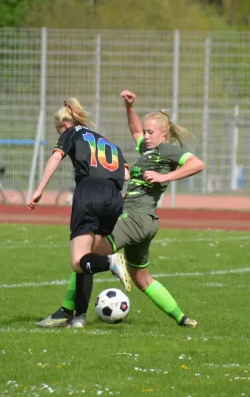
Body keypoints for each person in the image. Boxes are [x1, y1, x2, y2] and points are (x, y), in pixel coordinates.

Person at [42, 90, 205, 329]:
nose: (146, 137)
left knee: (86, 254)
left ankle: (68, 311)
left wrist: (165, 177)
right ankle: (183, 318)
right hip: (147, 223)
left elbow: (198, 164)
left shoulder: (166, 151)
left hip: (134, 218)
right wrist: (130, 107)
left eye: (151, 133)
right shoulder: (148, 150)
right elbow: (136, 130)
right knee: (142, 279)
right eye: (146, 132)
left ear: (164, 134)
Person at [27, 98, 133, 328]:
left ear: (64, 125)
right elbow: (126, 175)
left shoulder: (72, 131)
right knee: (87, 259)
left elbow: (56, 157)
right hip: (114, 198)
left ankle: (111, 262)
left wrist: (39, 190)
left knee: (78, 262)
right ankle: (78, 318)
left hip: (89, 194)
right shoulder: (108, 142)